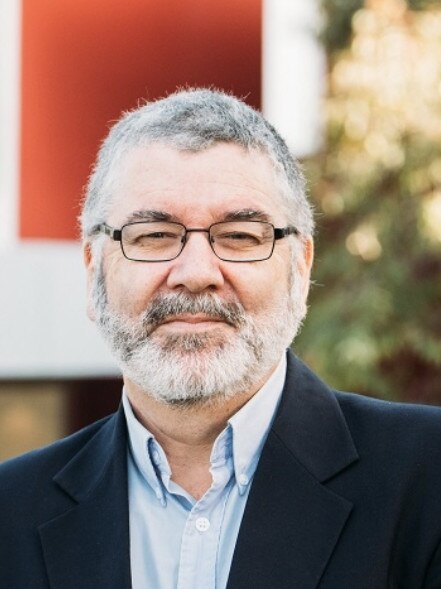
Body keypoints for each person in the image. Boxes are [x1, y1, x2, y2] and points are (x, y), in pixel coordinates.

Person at [1, 88, 441, 589]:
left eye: (239, 236)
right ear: (93, 271)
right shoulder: (9, 514)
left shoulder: (428, 481)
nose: (194, 273)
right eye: (153, 235)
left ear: (300, 266)